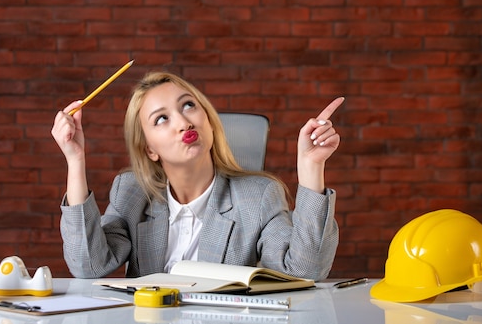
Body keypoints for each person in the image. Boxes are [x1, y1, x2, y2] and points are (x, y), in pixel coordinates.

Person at [51, 71, 344, 280]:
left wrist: (311, 167)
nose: (182, 121)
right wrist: (75, 160)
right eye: (161, 118)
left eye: (188, 105)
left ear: (209, 121)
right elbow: (88, 266)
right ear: (149, 148)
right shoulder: (131, 192)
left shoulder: (259, 195)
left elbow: (307, 269)